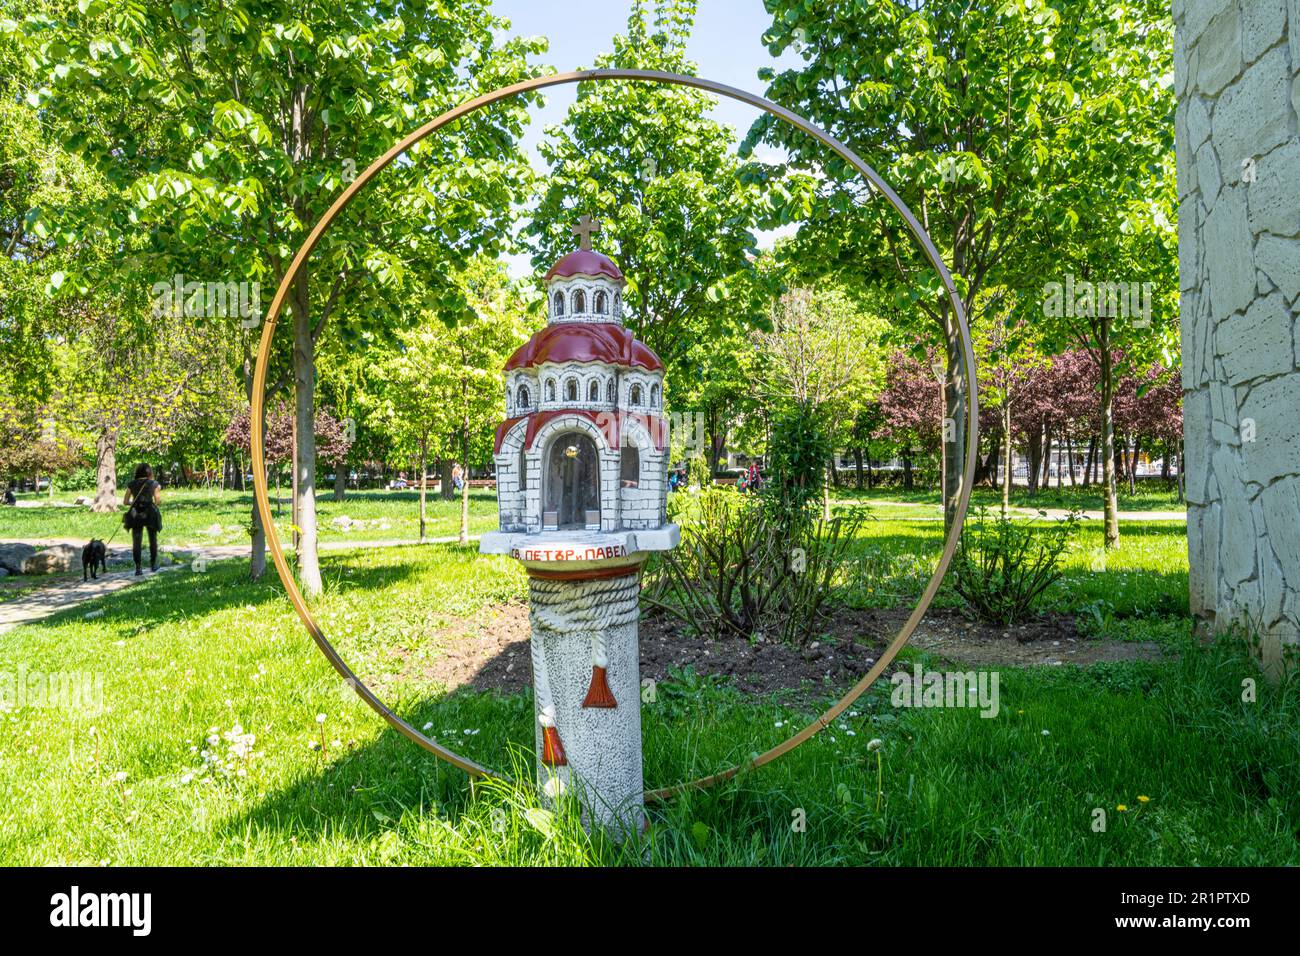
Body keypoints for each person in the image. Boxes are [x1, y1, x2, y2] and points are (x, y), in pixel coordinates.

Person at [122, 463, 162, 575]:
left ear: (137, 472)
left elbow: (125, 502)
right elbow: (158, 501)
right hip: (150, 513)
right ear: (149, 472)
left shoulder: (131, 484)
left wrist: (134, 502)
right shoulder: (154, 484)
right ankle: (154, 564)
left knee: (136, 541)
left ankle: (138, 568)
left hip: (136, 514)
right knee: (152, 539)